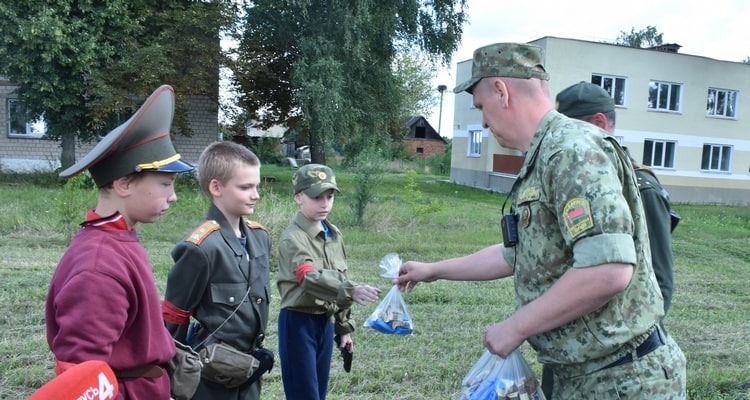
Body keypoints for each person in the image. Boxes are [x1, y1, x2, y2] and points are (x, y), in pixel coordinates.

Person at [395, 43, 687, 399]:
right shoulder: (547, 154)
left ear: (501, 91)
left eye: (481, 107)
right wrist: (432, 270)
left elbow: (608, 269)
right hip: (586, 376)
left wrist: (516, 327)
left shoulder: (571, 150)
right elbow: (517, 253)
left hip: (620, 381)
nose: (484, 122)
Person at [46, 84, 194, 400]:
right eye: (165, 183)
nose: (174, 195)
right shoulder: (98, 264)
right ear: (124, 183)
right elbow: (80, 375)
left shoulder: (119, 237)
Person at [162, 141, 273, 400]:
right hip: (210, 376)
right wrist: (170, 376)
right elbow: (174, 318)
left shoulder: (260, 238)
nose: (255, 194)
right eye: (245, 187)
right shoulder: (201, 247)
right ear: (216, 187)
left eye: (256, 186)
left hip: (249, 369)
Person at [276, 163, 381, 400]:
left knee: (319, 393)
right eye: (317, 197)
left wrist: (343, 328)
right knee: (304, 394)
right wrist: (350, 290)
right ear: (298, 197)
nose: (325, 204)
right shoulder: (293, 239)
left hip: (326, 322)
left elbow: (339, 278)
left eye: (330, 196)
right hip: (299, 323)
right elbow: (310, 278)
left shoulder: (333, 234)